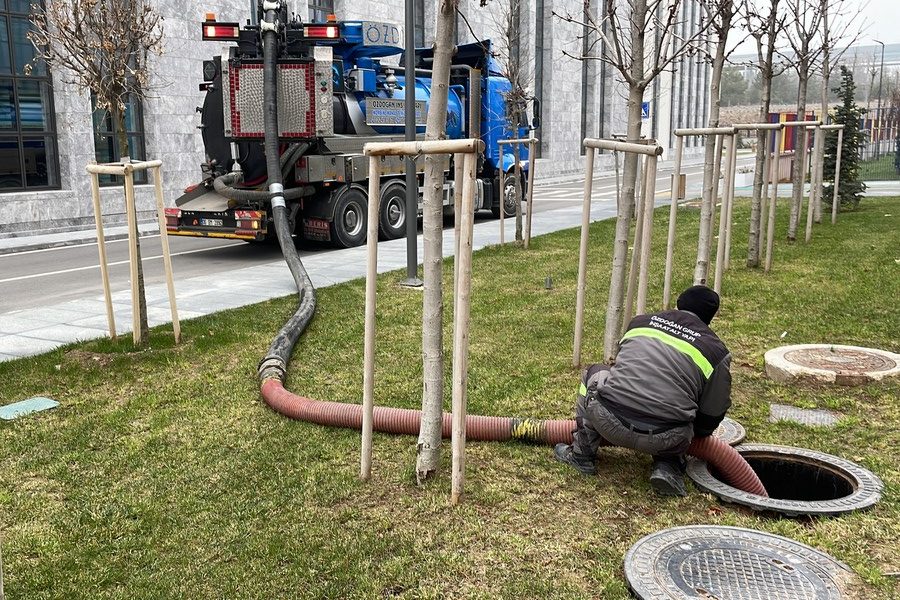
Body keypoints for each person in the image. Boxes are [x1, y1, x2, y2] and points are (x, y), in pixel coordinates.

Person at [553, 285, 732, 496]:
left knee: (594, 372)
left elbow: (623, 368)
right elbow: (712, 412)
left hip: (608, 422)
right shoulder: (716, 351)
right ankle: (668, 467)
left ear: (678, 305)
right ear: (711, 317)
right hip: (667, 438)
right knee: (688, 406)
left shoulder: (640, 323)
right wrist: (696, 436)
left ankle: (582, 454)